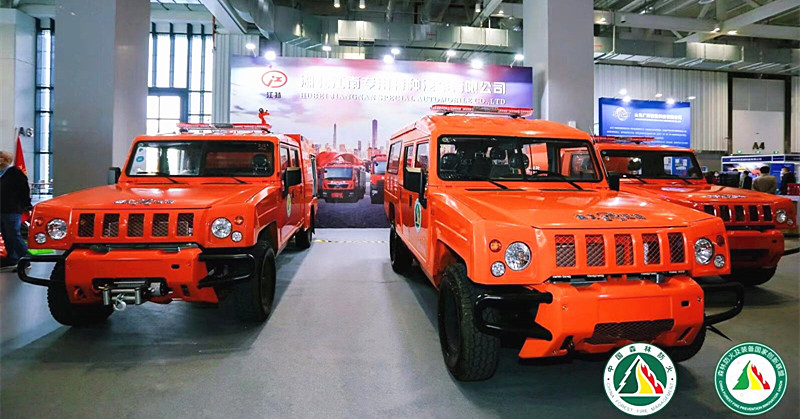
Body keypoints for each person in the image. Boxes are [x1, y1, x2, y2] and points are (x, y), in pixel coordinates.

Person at [0, 150, 31, 268]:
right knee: (6, 234)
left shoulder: (15, 173)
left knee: (13, 234)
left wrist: (26, 204)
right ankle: (12, 258)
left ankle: (25, 258)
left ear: (6, 160)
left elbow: (24, 189)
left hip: (12, 209)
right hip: (2, 209)